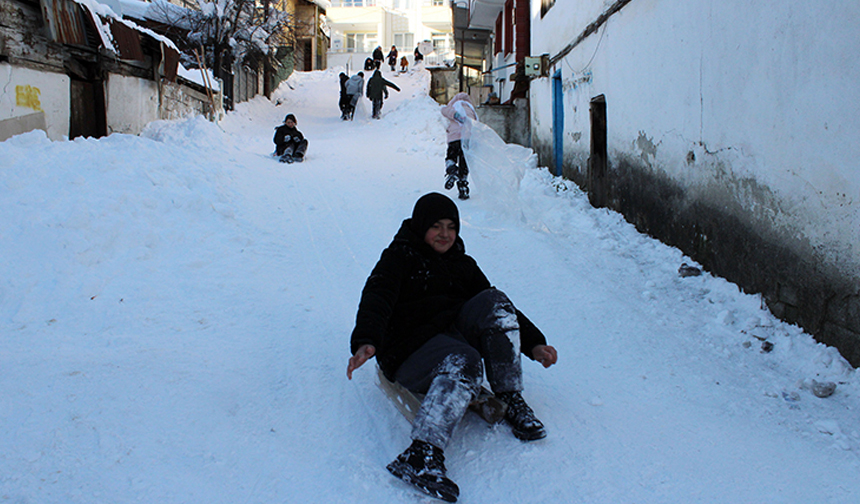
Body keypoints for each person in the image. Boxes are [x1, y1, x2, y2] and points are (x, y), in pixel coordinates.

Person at [347, 193, 558, 502]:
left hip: (448, 336)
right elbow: (377, 298)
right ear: (421, 226)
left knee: (495, 302)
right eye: (436, 226)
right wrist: (366, 341)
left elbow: (494, 304)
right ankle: (421, 454)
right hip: (409, 348)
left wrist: (535, 343)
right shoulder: (399, 257)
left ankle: (510, 396)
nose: (444, 234)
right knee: (465, 360)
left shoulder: (462, 263)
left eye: (451, 227)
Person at [440, 92, 478, 200]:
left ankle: (452, 169)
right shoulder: (471, 109)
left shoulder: (453, 106)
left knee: (451, 156)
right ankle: (463, 186)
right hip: (467, 139)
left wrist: (455, 115)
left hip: (454, 138)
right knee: (464, 162)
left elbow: (443, 110)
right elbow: (475, 124)